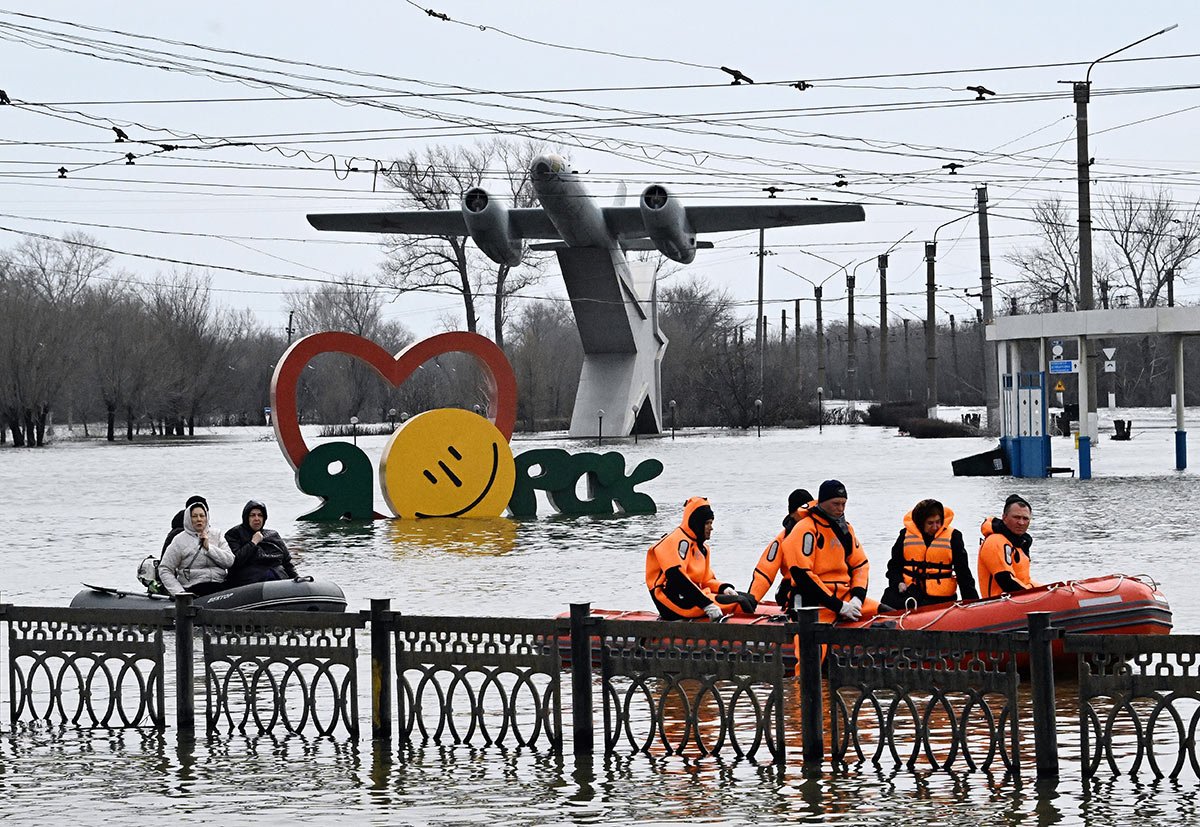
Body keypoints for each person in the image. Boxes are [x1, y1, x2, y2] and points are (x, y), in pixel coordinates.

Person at [777, 479, 884, 623]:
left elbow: (860, 565)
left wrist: (857, 599)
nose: (840, 509)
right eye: (836, 504)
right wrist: (838, 606)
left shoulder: (846, 529)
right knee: (815, 641)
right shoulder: (805, 529)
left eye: (843, 504)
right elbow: (802, 574)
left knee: (890, 613)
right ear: (822, 502)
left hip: (844, 596)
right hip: (814, 603)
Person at [646, 496, 756, 621]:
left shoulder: (702, 548)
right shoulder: (673, 541)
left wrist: (723, 588)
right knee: (740, 603)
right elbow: (677, 579)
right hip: (671, 600)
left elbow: (706, 580)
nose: (711, 528)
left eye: (711, 523)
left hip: (694, 595)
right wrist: (707, 605)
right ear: (697, 523)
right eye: (707, 523)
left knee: (750, 599)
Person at [880, 498, 979, 609]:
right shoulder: (905, 536)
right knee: (888, 600)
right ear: (920, 523)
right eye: (930, 523)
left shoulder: (953, 537)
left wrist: (972, 602)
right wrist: (898, 582)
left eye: (938, 522)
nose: (935, 527)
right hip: (910, 594)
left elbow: (963, 573)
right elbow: (894, 567)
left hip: (941, 599)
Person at [748, 488, 813, 605]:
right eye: (803, 512)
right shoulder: (782, 539)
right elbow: (765, 571)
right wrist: (751, 600)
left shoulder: (824, 532)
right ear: (793, 514)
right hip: (793, 590)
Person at [159, 499, 235, 597]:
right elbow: (165, 569)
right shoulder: (179, 540)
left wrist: (209, 548)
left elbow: (229, 561)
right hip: (194, 588)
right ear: (188, 519)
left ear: (206, 517)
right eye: (194, 516)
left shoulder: (216, 534)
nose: (199, 519)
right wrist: (180, 593)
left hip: (219, 585)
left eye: (202, 516)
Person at [978, 494, 1043, 598]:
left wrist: (1049, 590)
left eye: (1025, 518)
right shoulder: (996, 541)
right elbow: (1005, 580)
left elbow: (1025, 580)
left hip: (1018, 601)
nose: (1021, 522)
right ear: (1004, 517)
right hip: (1000, 605)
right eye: (1016, 517)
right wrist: (1036, 596)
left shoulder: (1019, 544)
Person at [224, 500, 298, 587]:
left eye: (260, 515)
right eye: (252, 515)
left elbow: (287, 563)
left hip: (278, 577)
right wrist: (253, 543)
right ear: (246, 517)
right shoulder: (234, 534)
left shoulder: (273, 535)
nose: (256, 519)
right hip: (250, 581)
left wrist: (297, 579)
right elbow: (235, 561)